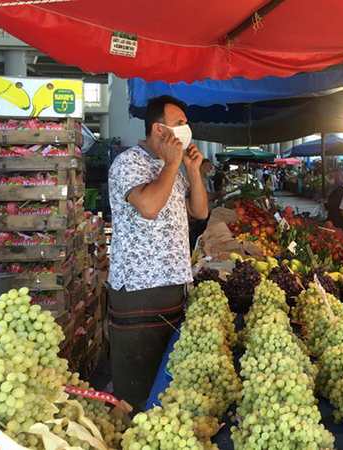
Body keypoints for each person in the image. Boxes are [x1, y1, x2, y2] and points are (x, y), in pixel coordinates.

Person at [107, 95, 208, 408]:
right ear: (158, 130)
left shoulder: (173, 167)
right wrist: (173, 163)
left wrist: (191, 170)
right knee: (138, 386)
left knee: (164, 382)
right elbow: (149, 206)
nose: (185, 130)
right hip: (140, 289)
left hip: (172, 284)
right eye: (179, 124)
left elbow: (201, 213)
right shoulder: (128, 163)